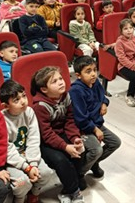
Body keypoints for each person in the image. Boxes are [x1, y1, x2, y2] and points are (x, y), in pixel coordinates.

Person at [31, 66, 87, 203]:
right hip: (45, 141)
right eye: (54, 81)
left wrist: (74, 138)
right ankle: (74, 191)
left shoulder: (65, 96)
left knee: (80, 150)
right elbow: (46, 133)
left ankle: (71, 185)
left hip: (61, 133)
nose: (61, 82)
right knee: (61, 160)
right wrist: (65, 146)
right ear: (44, 89)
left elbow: (70, 120)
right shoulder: (40, 106)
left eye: (60, 79)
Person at [0, 80, 54, 203]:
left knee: (45, 173)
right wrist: (26, 168)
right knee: (22, 183)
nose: (23, 101)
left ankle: (34, 194)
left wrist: (33, 164)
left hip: (28, 154)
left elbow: (33, 139)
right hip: (12, 160)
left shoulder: (29, 112)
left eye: (23, 96)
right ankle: (19, 198)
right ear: (6, 106)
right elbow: (6, 148)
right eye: (16, 100)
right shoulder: (1, 119)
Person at [69, 56, 121, 182]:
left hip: (97, 123)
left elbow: (102, 95)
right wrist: (95, 129)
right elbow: (80, 119)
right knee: (96, 150)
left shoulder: (95, 82)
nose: (93, 74)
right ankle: (79, 173)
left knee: (115, 142)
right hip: (84, 128)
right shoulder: (76, 90)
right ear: (78, 75)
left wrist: (104, 103)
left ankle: (92, 164)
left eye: (94, 70)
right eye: (88, 71)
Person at [115, 19, 135, 107]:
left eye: (131, 28)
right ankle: (129, 95)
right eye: (126, 29)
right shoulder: (119, 42)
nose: (129, 30)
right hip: (124, 66)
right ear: (121, 31)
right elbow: (122, 58)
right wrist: (134, 67)